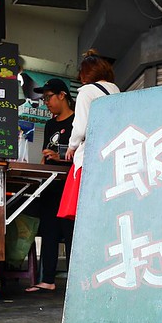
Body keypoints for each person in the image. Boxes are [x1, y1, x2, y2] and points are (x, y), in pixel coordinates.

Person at [25, 78, 75, 294]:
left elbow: (84, 154)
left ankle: (75, 282)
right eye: (43, 99)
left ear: (62, 95)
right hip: (50, 184)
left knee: (71, 232)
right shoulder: (50, 124)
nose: (46, 102)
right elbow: (46, 153)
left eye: (48, 97)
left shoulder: (78, 122)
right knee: (49, 231)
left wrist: (60, 156)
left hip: (69, 185)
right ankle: (47, 279)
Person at [59, 49, 119, 218]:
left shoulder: (87, 91)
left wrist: (72, 147)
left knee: (82, 209)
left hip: (91, 153)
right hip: (111, 153)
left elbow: (81, 125)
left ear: (85, 74)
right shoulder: (115, 89)